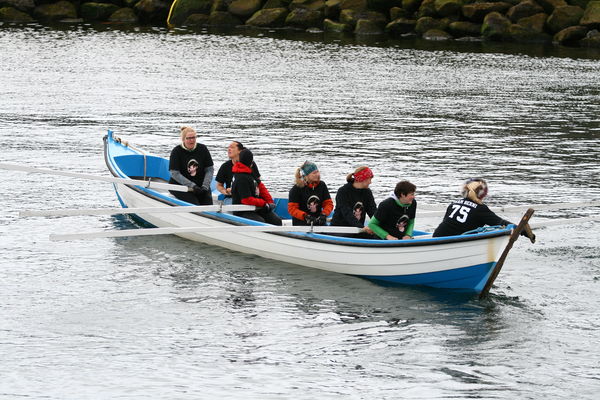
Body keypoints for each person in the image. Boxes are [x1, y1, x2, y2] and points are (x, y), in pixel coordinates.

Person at [433, 178, 514, 237]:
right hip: (450, 243)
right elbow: (501, 223)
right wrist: (521, 229)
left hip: (436, 237)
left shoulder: (453, 204)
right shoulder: (480, 209)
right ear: (483, 194)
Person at [231, 149, 282, 225]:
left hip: (256, 208)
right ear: (250, 162)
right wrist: (264, 204)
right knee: (260, 222)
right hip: (242, 210)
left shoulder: (250, 173)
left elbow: (261, 187)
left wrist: (269, 201)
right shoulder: (241, 178)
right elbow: (246, 200)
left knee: (277, 221)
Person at [169, 126, 214, 205]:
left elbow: (209, 169)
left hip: (200, 186)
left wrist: (205, 186)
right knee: (194, 204)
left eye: (194, 137)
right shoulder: (176, 151)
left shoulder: (202, 148)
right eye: (188, 138)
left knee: (208, 204)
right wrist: (192, 186)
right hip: (181, 185)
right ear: (183, 139)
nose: (192, 140)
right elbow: (174, 173)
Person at [330, 166, 377, 236]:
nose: (370, 182)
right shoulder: (343, 191)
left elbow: (373, 211)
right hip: (340, 228)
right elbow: (347, 213)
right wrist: (362, 227)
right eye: (369, 179)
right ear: (362, 179)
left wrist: (380, 225)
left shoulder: (367, 192)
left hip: (358, 228)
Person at [288, 161, 333, 226]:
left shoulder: (322, 185)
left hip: (318, 221)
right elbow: (292, 209)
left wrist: (324, 214)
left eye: (317, 172)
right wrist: (305, 216)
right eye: (314, 173)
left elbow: (328, 204)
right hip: (302, 223)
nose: (317, 174)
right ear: (306, 176)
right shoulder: (296, 189)